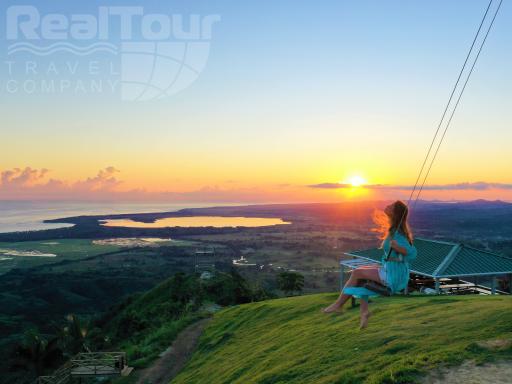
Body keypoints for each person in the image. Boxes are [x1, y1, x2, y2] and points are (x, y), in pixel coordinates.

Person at [322, 200, 417, 328]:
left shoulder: (398, 234)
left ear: (395, 213)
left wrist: (399, 248)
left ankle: (338, 305)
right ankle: (364, 313)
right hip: (392, 270)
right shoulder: (394, 230)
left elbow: (412, 253)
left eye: (392, 206)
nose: (388, 205)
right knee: (361, 274)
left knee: (357, 273)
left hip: (394, 276)